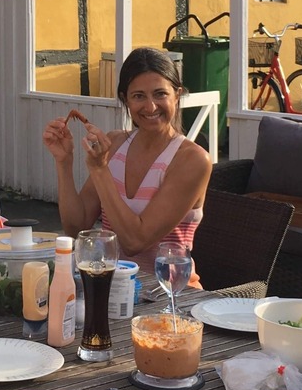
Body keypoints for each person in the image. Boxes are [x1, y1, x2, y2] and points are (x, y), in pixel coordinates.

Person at [42, 47, 211, 280]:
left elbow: (135, 242)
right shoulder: (115, 144)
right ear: (126, 100)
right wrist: (64, 162)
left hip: (169, 293)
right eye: (139, 96)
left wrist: (100, 169)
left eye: (160, 94)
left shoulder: (192, 160)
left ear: (177, 95)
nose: (150, 107)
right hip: (113, 287)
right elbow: (76, 228)